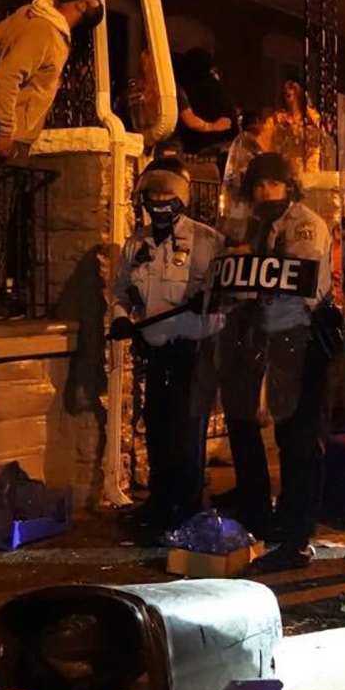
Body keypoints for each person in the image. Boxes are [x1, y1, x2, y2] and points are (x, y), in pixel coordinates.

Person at [202, 150, 334, 571]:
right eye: (257, 185)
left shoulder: (305, 225)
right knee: (242, 421)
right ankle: (256, 508)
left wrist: (249, 257)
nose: (264, 192)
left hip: (298, 335)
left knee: (295, 436)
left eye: (272, 184)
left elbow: (298, 275)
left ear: (288, 186)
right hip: (252, 334)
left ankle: (297, 532)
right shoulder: (251, 225)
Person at [0, 0, 118, 314]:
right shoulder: (45, 33)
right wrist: (8, 129)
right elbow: (7, 79)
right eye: (97, 1)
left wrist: (10, 49)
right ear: (83, 3)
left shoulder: (31, 14)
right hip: (5, 134)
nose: (99, 6)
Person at [110, 161, 223, 530]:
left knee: (186, 431)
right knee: (157, 426)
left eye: (167, 194)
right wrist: (121, 317)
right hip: (156, 352)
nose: (159, 201)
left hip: (194, 351)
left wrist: (206, 302)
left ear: (182, 198)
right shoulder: (136, 243)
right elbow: (121, 291)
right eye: (153, 194)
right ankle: (161, 503)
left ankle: (187, 509)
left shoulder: (207, 241)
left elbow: (226, 295)